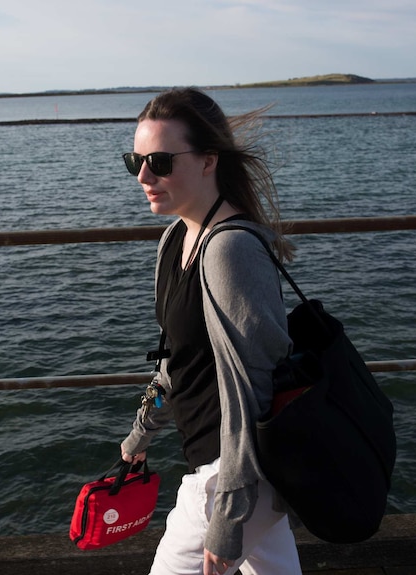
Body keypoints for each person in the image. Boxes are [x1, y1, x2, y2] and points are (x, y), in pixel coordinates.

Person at [119, 87, 302, 575]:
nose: (143, 176)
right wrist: (143, 432)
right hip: (229, 466)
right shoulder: (176, 237)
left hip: (234, 473)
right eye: (134, 160)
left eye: (159, 160)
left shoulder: (230, 250)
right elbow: (176, 357)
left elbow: (253, 388)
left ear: (208, 161)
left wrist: (229, 512)